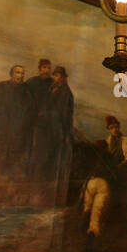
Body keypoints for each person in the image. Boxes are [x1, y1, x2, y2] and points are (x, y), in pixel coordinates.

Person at [27, 62, 75, 202]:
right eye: (55, 75)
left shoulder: (65, 93)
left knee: (52, 160)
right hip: (47, 129)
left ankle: (50, 193)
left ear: (63, 78)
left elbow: (62, 114)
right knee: (42, 158)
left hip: (57, 131)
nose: (56, 78)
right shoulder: (52, 88)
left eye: (59, 75)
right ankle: (39, 190)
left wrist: (46, 116)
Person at [0, 65, 34, 177]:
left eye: (22, 73)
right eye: (18, 72)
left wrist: (23, 121)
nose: (20, 75)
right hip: (0, 128)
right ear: (12, 74)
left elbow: (30, 108)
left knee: (15, 156)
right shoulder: (0, 86)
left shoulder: (26, 90)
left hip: (17, 130)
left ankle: (12, 181)